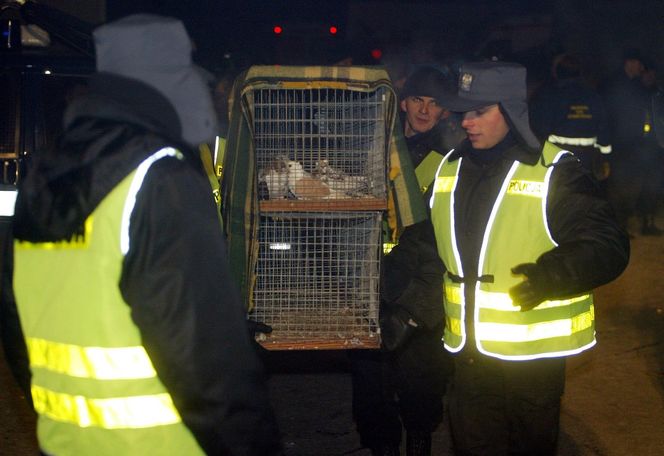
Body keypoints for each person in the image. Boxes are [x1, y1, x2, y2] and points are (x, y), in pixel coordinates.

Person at [4, 14, 281, 456]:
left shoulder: (44, 172)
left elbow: (14, 318)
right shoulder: (161, 176)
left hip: (68, 442)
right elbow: (208, 362)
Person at [424, 61, 629, 455]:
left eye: (480, 111)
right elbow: (429, 245)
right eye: (464, 112)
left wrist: (552, 274)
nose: (467, 122)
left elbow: (609, 243)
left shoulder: (555, 172)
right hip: (468, 357)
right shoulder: (449, 168)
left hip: (532, 364)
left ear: (511, 109)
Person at [350, 66, 459, 456]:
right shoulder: (375, 144)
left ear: (446, 109)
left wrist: (413, 308)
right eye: (417, 100)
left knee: (420, 384)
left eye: (434, 103)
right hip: (368, 285)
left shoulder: (451, 159)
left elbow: (439, 240)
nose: (425, 110)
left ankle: (418, 441)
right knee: (371, 388)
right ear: (403, 102)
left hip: (419, 291)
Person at [530, 53, 612, 181]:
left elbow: (539, 128)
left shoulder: (548, 96)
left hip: (557, 158)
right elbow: (603, 128)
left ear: (556, 72)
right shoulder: (593, 96)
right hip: (587, 159)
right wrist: (605, 160)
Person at [602, 49, 653, 234]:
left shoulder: (637, 86)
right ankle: (616, 227)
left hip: (635, 145)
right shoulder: (614, 85)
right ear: (630, 63)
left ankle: (623, 224)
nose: (641, 68)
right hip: (619, 145)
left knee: (632, 186)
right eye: (639, 64)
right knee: (617, 186)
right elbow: (608, 116)